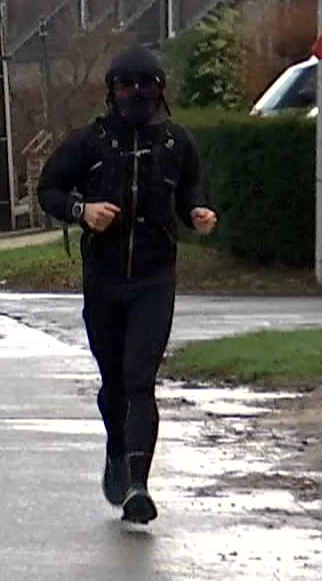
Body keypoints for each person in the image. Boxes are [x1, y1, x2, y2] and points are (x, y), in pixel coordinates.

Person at [36, 45, 217, 525]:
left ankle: (139, 484)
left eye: (145, 85)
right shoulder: (90, 142)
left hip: (155, 279)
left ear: (160, 89)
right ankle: (117, 452)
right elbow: (48, 188)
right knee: (113, 383)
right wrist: (82, 211)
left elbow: (190, 189)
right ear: (112, 91)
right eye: (126, 85)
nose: (135, 94)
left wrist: (197, 212)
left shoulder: (178, 144)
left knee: (141, 380)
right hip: (104, 280)